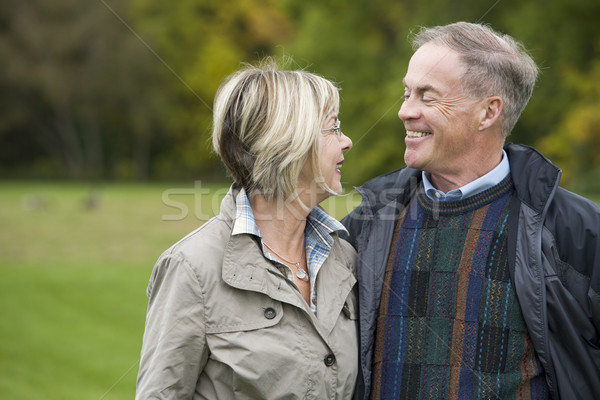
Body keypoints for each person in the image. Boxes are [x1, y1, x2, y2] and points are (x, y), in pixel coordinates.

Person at [342, 22, 600, 400]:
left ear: (488, 112)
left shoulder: (577, 231)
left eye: (427, 97)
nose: (404, 111)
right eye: (407, 93)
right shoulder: (366, 223)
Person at [136, 62, 358, 399]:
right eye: (333, 128)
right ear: (289, 142)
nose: (347, 142)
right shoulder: (191, 268)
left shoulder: (345, 257)